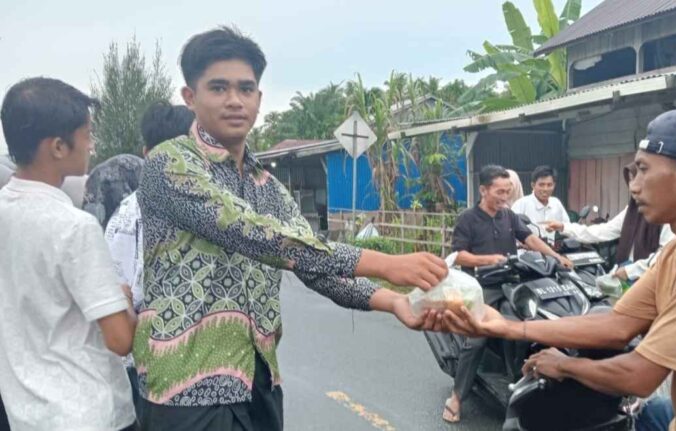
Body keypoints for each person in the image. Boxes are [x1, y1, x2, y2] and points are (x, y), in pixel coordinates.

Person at [133, 26, 448, 431]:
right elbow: (251, 233)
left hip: (259, 378)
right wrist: (385, 263)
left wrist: (393, 302)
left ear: (259, 99)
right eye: (219, 88)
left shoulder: (268, 186)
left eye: (246, 89)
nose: (235, 100)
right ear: (190, 97)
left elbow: (311, 260)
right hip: (186, 387)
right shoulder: (169, 163)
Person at [445, 109, 676, 431]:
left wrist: (564, 366)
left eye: (643, 169)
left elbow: (640, 375)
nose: (633, 185)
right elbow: (617, 324)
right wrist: (508, 327)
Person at [0, 77, 138, 430]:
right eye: (88, 134)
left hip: (25, 413)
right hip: (89, 413)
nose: (92, 145)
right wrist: (123, 300)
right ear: (59, 147)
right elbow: (120, 339)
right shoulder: (75, 227)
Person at [442, 164, 571, 423]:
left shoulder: (509, 216)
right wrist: (488, 259)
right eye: (499, 192)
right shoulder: (468, 218)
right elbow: (458, 255)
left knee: (527, 328)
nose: (504, 197)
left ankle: (521, 385)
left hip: (511, 286)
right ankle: (456, 397)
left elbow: (530, 239)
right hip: (480, 289)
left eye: (507, 192)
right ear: (483, 190)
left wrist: (556, 256)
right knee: (477, 339)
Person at [104, 102, 195, 418]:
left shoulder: (125, 215)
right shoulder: (216, 211)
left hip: (148, 368)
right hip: (172, 371)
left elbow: (119, 294)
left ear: (145, 153)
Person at [545, 163, 675, 283]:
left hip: (652, 280)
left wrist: (630, 271)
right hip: (625, 275)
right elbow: (604, 230)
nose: (632, 186)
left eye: (636, 180)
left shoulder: (666, 212)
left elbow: (666, 255)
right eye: (630, 180)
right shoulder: (631, 211)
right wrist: (564, 227)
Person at [511, 165, 570, 241]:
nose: (545, 189)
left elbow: (567, 227)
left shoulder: (556, 203)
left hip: (550, 247)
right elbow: (511, 230)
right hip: (526, 248)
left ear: (554, 185)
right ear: (533, 185)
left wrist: (558, 228)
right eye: (541, 185)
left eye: (549, 185)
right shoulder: (521, 204)